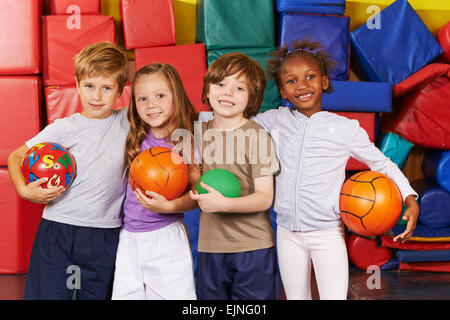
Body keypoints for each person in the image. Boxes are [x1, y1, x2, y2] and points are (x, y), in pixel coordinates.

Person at [198, 39, 420, 300]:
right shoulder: (274, 120)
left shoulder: (344, 129)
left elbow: (381, 163)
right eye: (291, 81)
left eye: (310, 77)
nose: (302, 85)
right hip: (287, 234)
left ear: (324, 82)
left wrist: (409, 196)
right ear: (282, 90)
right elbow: (232, 119)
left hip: (327, 233)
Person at [7, 42, 129, 299]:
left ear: (120, 90)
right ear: (77, 83)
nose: (96, 96)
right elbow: (16, 155)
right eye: (89, 86)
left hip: (104, 233)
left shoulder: (127, 121)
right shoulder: (64, 128)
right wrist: (25, 190)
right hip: (58, 229)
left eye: (106, 88)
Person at [190, 52, 280, 300]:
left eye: (239, 88)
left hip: (253, 248)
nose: (228, 92)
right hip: (210, 248)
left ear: (252, 98)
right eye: (220, 84)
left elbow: (264, 198)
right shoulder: (197, 133)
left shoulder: (257, 137)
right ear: (207, 90)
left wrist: (225, 204)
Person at [111, 63, 199, 300]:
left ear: (176, 96)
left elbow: (195, 195)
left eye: (160, 96)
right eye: (142, 98)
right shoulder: (134, 136)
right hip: (128, 237)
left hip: (166, 237)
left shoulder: (184, 142)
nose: (151, 105)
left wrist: (170, 207)